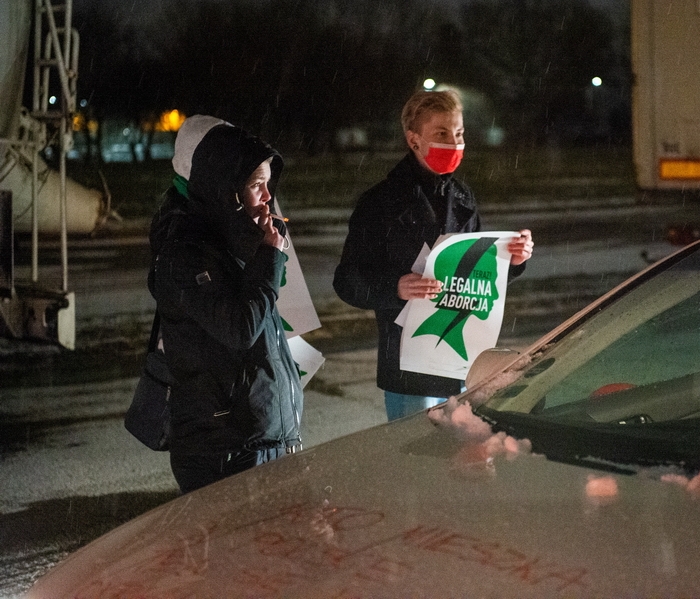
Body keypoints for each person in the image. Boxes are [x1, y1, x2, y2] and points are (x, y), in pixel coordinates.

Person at [333, 89, 534, 420]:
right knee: (415, 464)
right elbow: (346, 281)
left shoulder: (463, 198)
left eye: (459, 133)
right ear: (413, 140)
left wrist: (511, 259)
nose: (454, 143)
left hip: (461, 357)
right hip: (408, 365)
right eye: (441, 133)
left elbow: (475, 272)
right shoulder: (380, 203)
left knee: (455, 462)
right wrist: (396, 287)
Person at [148, 115, 303, 494]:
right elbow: (239, 328)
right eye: (256, 185)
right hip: (225, 454)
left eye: (269, 184)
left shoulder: (233, 236)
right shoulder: (187, 252)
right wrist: (268, 258)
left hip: (263, 443)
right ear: (223, 189)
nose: (268, 197)